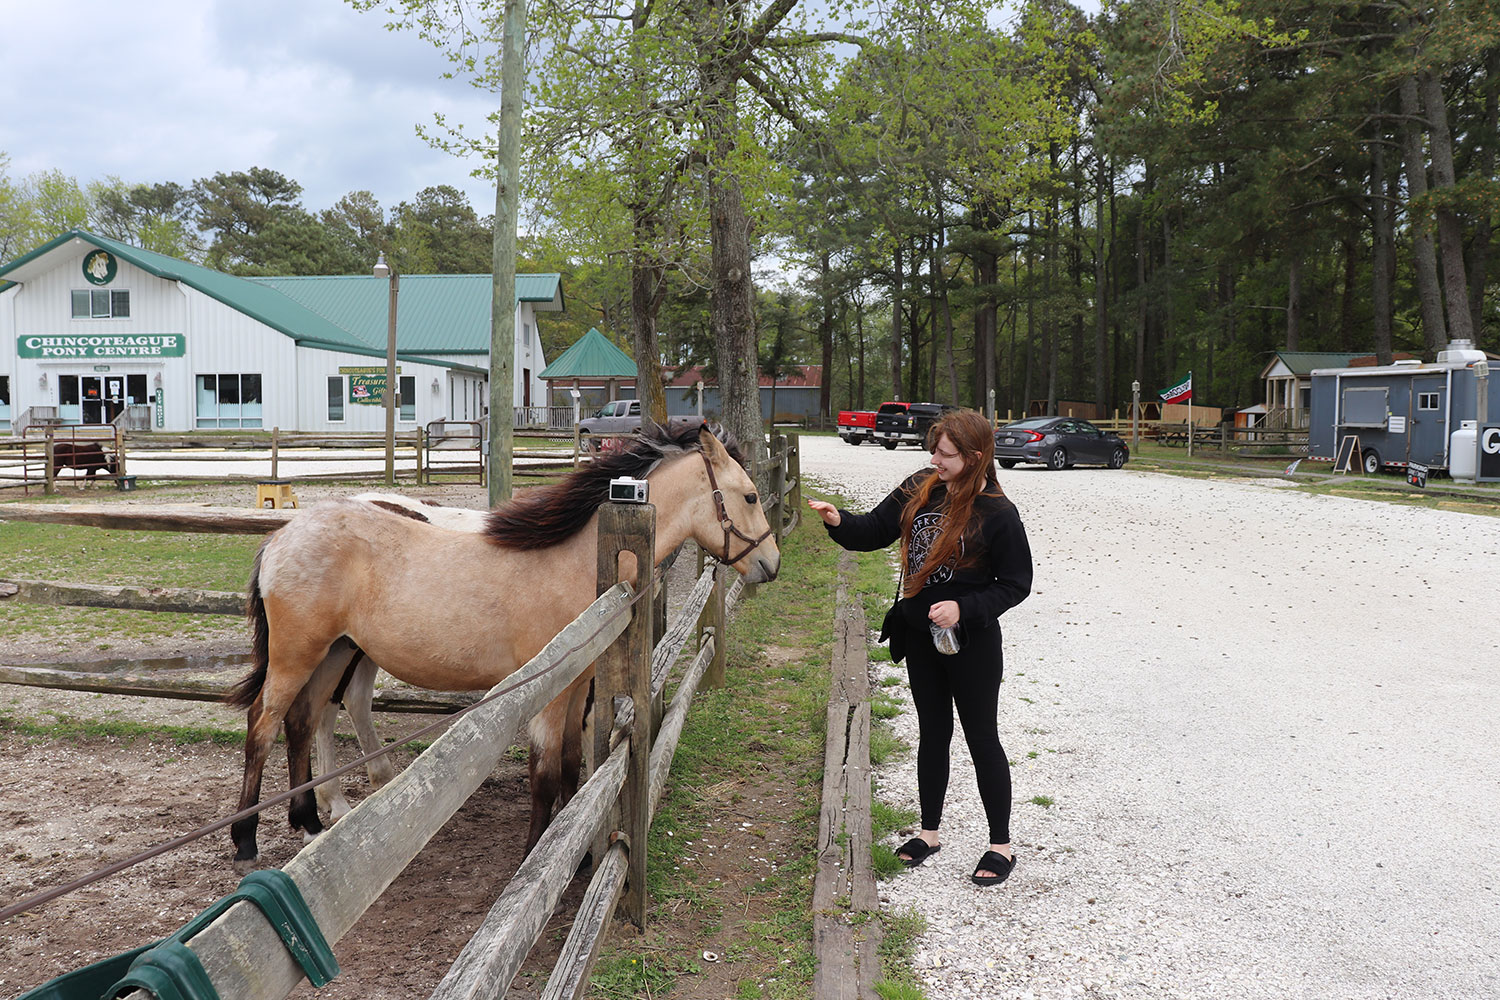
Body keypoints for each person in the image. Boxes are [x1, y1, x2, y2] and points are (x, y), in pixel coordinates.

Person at [808, 408, 1032, 886]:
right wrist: (837, 520)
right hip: (919, 638)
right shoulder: (920, 486)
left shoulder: (997, 512)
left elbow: (1016, 584)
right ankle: (929, 833)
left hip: (970, 643)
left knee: (981, 739)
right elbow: (873, 532)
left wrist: (963, 608)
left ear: (974, 457)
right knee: (932, 733)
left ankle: (1000, 845)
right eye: (934, 450)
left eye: (946, 454)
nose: (935, 459)